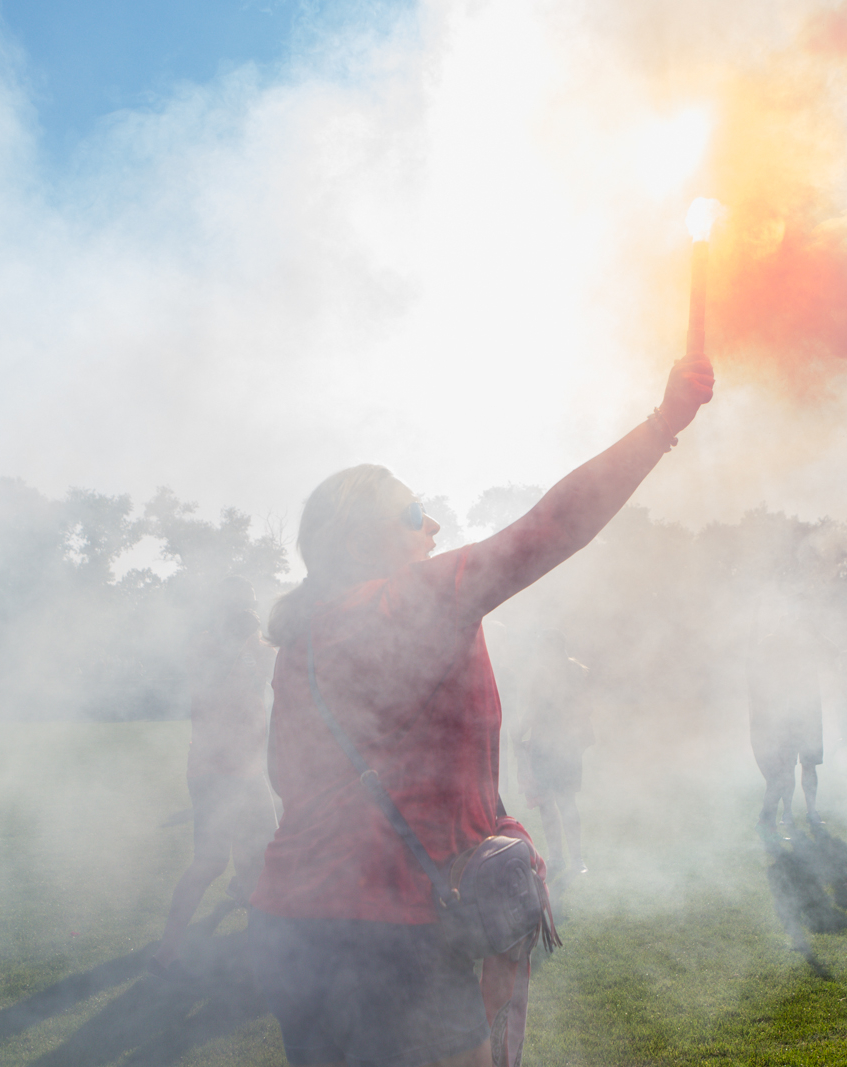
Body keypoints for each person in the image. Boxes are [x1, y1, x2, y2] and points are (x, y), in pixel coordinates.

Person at [246, 354, 713, 1067]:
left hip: (291, 921)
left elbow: (289, 777)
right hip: (395, 928)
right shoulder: (414, 599)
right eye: (411, 511)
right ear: (364, 535)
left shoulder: (300, 639)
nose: (431, 522)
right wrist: (663, 423)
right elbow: (551, 529)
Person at [152, 576, 279, 974]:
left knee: (257, 860)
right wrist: (230, 642)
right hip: (212, 769)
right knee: (211, 862)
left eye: (253, 602)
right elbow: (203, 697)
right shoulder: (204, 645)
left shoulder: (262, 647)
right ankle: (168, 949)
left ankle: (263, 946)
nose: (250, 611)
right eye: (242, 603)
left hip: (249, 769)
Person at [514, 629, 592, 879]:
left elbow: (581, 709)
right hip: (542, 747)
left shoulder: (575, 673)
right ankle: (556, 856)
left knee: (566, 802)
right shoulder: (539, 675)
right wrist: (520, 731)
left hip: (565, 746)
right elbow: (533, 707)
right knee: (546, 804)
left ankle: (577, 858)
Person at [749, 620, 827, 843]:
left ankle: (767, 825)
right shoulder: (764, 675)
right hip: (768, 734)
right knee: (778, 780)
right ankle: (768, 824)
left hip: (776, 732)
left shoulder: (777, 673)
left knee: (778, 780)